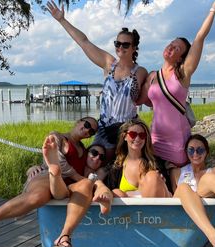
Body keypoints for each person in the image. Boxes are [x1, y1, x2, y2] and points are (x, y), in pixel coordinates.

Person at [0, 117, 107, 247]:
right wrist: (77, 177)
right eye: (87, 124)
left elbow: (92, 169)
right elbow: (60, 161)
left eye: (92, 132)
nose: (87, 130)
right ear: (79, 121)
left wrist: (89, 180)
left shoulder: (85, 150)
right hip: (47, 176)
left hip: (68, 186)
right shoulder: (56, 136)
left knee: (85, 186)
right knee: (38, 196)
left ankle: (64, 237)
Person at [138, 0, 215, 191]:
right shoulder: (152, 76)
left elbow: (199, 38)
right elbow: (142, 101)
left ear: (181, 57)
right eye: (171, 44)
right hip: (155, 141)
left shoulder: (183, 74)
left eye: (177, 48)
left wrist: (214, 8)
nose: (171, 48)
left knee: (179, 187)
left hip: (177, 143)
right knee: (155, 184)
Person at [47, 0, 148, 162]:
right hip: (104, 127)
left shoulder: (140, 71)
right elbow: (84, 42)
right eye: (117, 43)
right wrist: (62, 20)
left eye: (125, 44)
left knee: (123, 165)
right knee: (96, 161)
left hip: (127, 129)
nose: (120, 47)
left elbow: (142, 96)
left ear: (134, 47)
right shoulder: (109, 64)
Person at [42, 134, 113, 247]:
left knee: (88, 182)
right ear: (86, 153)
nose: (97, 158)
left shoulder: (97, 174)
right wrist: (32, 169)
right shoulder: (73, 165)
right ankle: (55, 172)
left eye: (101, 157)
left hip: (74, 195)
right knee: (79, 183)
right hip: (61, 191)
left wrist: (105, 196)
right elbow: (38, 168)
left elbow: (100, 186)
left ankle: (64, 237)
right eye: (94, 152)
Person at [105, 119, 171, 198]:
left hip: (156, 208)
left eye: (142, 135)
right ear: (124, 136)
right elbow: (108, 192)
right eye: (133, 134)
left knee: (153, 176)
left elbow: (169, 193)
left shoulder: (156, 163)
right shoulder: (116, 166)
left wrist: (162, 183)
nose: (137, 138)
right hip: (128, 209)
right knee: (116, 192)